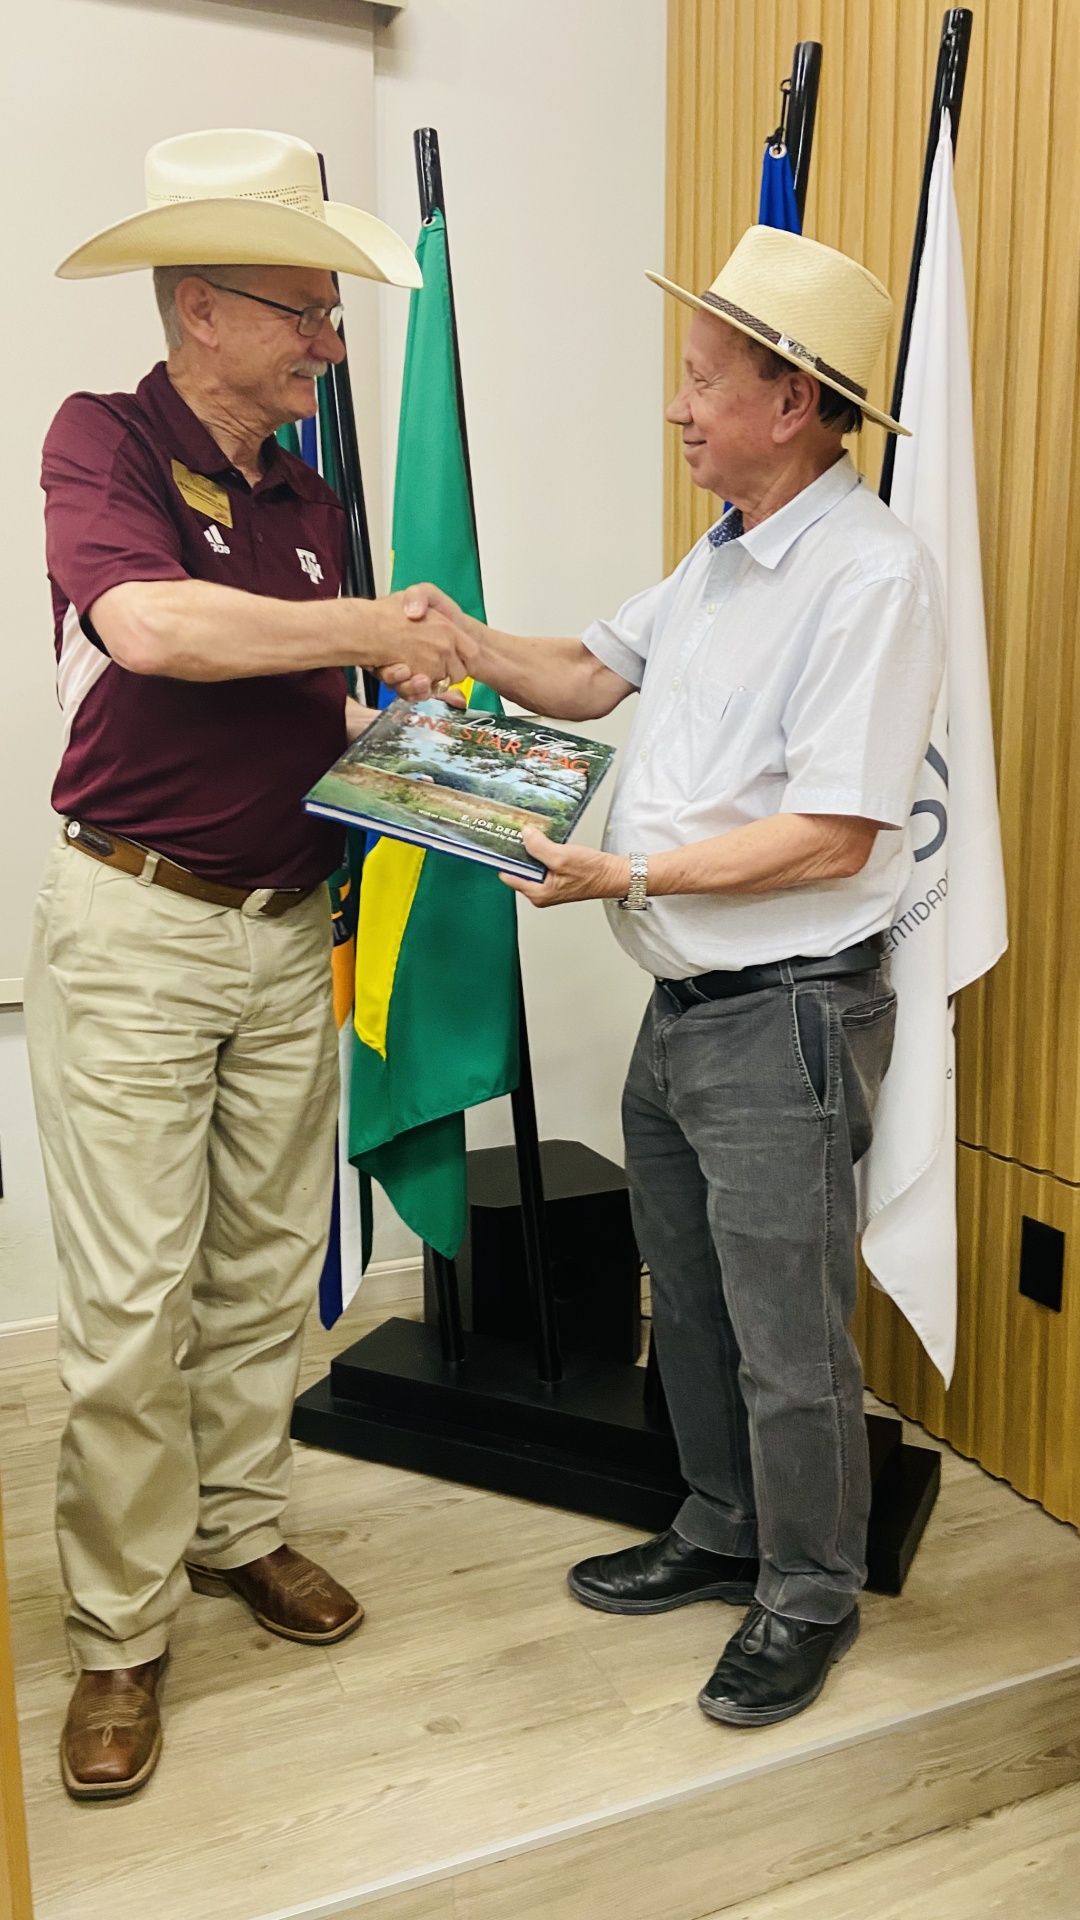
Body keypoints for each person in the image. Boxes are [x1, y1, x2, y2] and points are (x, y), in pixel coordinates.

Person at [404, 226, 945, 1729]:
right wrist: (458, 638)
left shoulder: (869, 575)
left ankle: (810, 1593)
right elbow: (588, 675)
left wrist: (625, 875)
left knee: (788, 1334)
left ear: (794, 401)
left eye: (705, 381)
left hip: (785, 1014)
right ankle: (719, 1529)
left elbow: (834, 833)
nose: (678, 406)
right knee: (693, 1305)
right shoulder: (720, 556)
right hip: (687, 1009)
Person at [27, 128, 465, 1802]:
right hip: (140, 932)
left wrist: (414, 734)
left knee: (267, 1269)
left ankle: (237, 1527)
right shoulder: (104, 440)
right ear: (202, 308)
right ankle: (119, 1632)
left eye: (334, 318)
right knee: (132, 1307)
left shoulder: (306, 497)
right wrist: (369, 627)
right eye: (306, 314)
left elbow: (299, 705)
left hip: (289, 934)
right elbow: (150, 628)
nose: (331, 347)